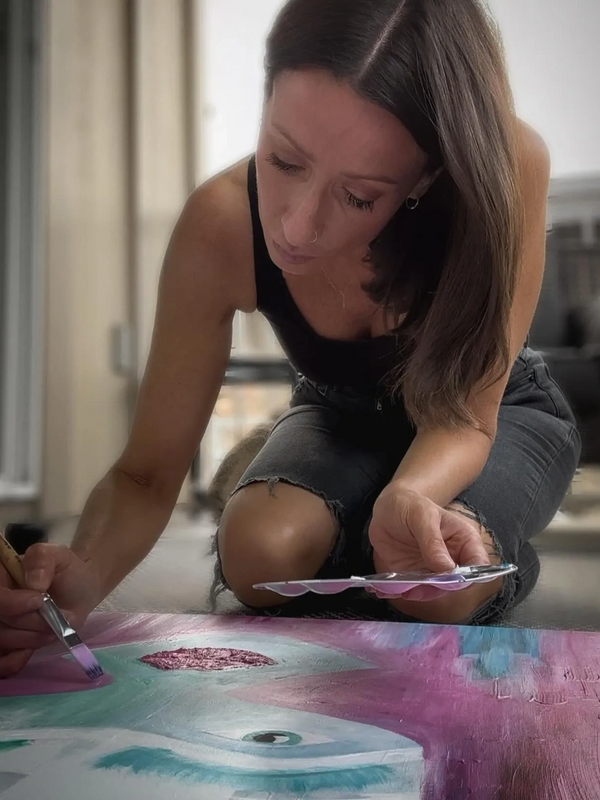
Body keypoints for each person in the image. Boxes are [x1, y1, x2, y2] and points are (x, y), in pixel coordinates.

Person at [0, 0, 580, 677]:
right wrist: (80, 578)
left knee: (439, 587)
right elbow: (147, 472)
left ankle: (493, 548)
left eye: (359, 196)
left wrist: (413, 495)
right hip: (341, 414)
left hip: (492, 413)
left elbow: (467, 418)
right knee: (259, 557)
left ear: (424, 176)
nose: (296, 229)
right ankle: (361, 522)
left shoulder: (507, 168)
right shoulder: (220, 222)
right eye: (282, 158)